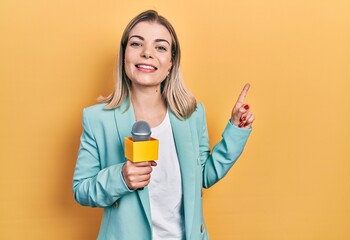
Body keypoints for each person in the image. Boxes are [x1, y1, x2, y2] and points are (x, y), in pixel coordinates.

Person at [73, 9, 255, 240]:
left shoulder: (192, 115)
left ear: (171, 63)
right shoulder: (98, 119)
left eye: (160, 47)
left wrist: (236, 130)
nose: (147, 53)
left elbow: (203, 176)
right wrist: (121, 178)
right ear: (124, 56)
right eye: (137, 44)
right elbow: (81, 190)